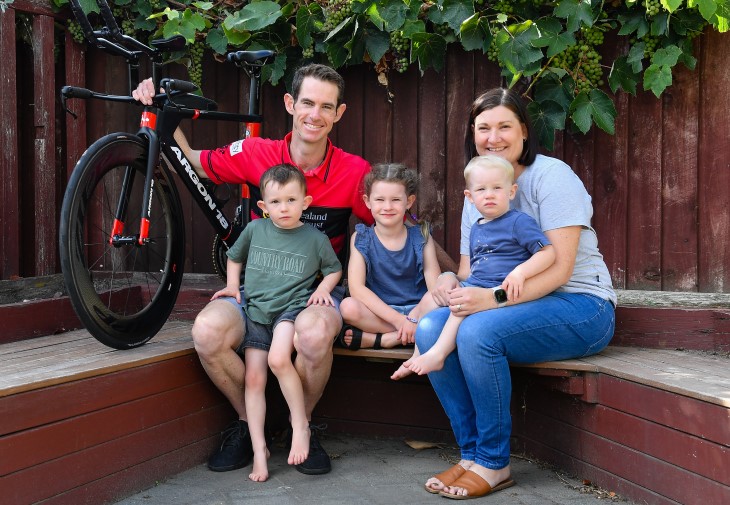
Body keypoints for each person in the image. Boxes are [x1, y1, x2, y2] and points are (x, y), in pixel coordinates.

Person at [133, 63, 373, 475]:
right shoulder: (257, 153)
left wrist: (444, 277)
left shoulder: (354, 171)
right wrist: (160, 109)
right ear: (289, 104)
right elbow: (188, 161)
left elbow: (396, 228)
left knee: (314, 334)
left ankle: (304, 425)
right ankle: (250, 425)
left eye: (326, 107)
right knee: (206, 332)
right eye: (307, 103)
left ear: (339, 113)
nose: (315, 115)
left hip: (315, 293)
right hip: (257, 289)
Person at [416, 88, 616, 500]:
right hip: (515, 306)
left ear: (524, 131)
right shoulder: (481, 187)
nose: (494, 137)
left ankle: (494, 462)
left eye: (505, 126)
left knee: (478, 333)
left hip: (581, 306)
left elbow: (559, 267)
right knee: (431, 326)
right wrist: (451, 282)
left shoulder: (552, 176)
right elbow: (473, 271)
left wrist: (491, 301)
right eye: (483, 128)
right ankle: (471, 455)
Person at [210, 164, 342, 482]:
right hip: (256, 312)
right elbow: (234, 255)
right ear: (263, 207)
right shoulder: (255, 230)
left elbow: (334, 268)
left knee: (279, 358)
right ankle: (259, 451)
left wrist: (323, 289)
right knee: (254, 381)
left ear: (305, 202)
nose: (284, 208)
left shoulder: (314, 238)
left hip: (290, 310)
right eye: (276, 202)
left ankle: (300, 425)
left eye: (291, 200)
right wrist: (231, 285)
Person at [392, 155, 554, 379]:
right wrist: (452, 278)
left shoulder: (518, 222)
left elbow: (548, 252)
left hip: (498, 289)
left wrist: (520, 272)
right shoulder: (477, 227)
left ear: (511, 192)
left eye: (497, 188)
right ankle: (418, 353)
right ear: (469, 196)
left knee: (461, 306)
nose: (489, 194)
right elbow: (472, 269)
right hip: (476, 282)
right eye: (481, 189)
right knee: (430, 299)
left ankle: (438, 354)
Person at [338, 164, 441, 350]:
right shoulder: (361, 239)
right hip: (380, 313)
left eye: (395, 200)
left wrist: (412, 317)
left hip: (418, 310)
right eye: (379, 199)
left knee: (441, 304)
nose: (387, 206)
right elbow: (357, 289)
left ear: (409, 201)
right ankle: (410, 334)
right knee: (348, 307)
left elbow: (434, 288)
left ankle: (384, 339)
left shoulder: (421, 237)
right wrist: (399, 321)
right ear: (367, 201)